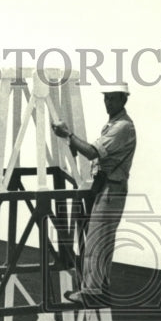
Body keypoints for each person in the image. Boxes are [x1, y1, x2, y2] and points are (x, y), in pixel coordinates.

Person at [52, 84, 136, 306]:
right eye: (106, 98)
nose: (107, 102)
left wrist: (68, 134)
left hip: (112, 189)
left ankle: (91, 292)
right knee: (99, 240)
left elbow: (92, 152)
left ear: (122, 100)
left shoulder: (122, 127)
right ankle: (97, 288)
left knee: (97, 241)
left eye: (112, 99)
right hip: (105, 187)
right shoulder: (114, 125)